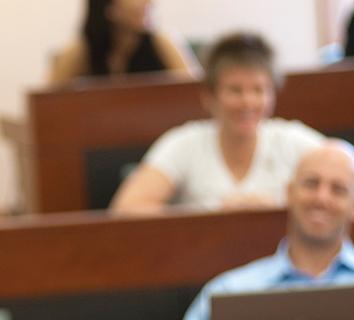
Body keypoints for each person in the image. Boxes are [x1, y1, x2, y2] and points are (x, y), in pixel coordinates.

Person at [168, 140, 354, 320]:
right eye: (311, 183)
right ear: (289, 193)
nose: (321, 198)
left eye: (338, 189)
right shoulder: (226, 293)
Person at [110, 32, 326, 213]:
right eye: (235, 90)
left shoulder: (292, 140)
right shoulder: (185, 143)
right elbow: (126, 208)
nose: (247, 102)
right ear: (209, 96)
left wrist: (286, 207)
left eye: (259, 90)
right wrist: (212, 214)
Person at [49, 0, 199, 85]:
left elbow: (194, 90)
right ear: (108, 7)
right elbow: (45, 105)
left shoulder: (161, 43)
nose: (148, 2)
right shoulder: (82, 51)